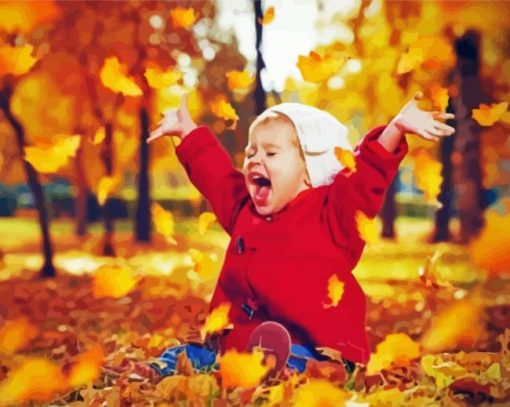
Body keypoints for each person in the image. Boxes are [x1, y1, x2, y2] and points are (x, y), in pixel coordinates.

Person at [142, 92, 454, 381]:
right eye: (251, 152)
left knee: (293, 363)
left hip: (314, 347)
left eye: (271, 152)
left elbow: (365, 177)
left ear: (309, 170)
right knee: (184, 356)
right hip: (236, 343)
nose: (253, 159)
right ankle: (160, 371)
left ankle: (271, 373)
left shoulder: (333, 215)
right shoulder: (244, 210)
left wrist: (395, 130)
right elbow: (218, 177)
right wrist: (188, 131)